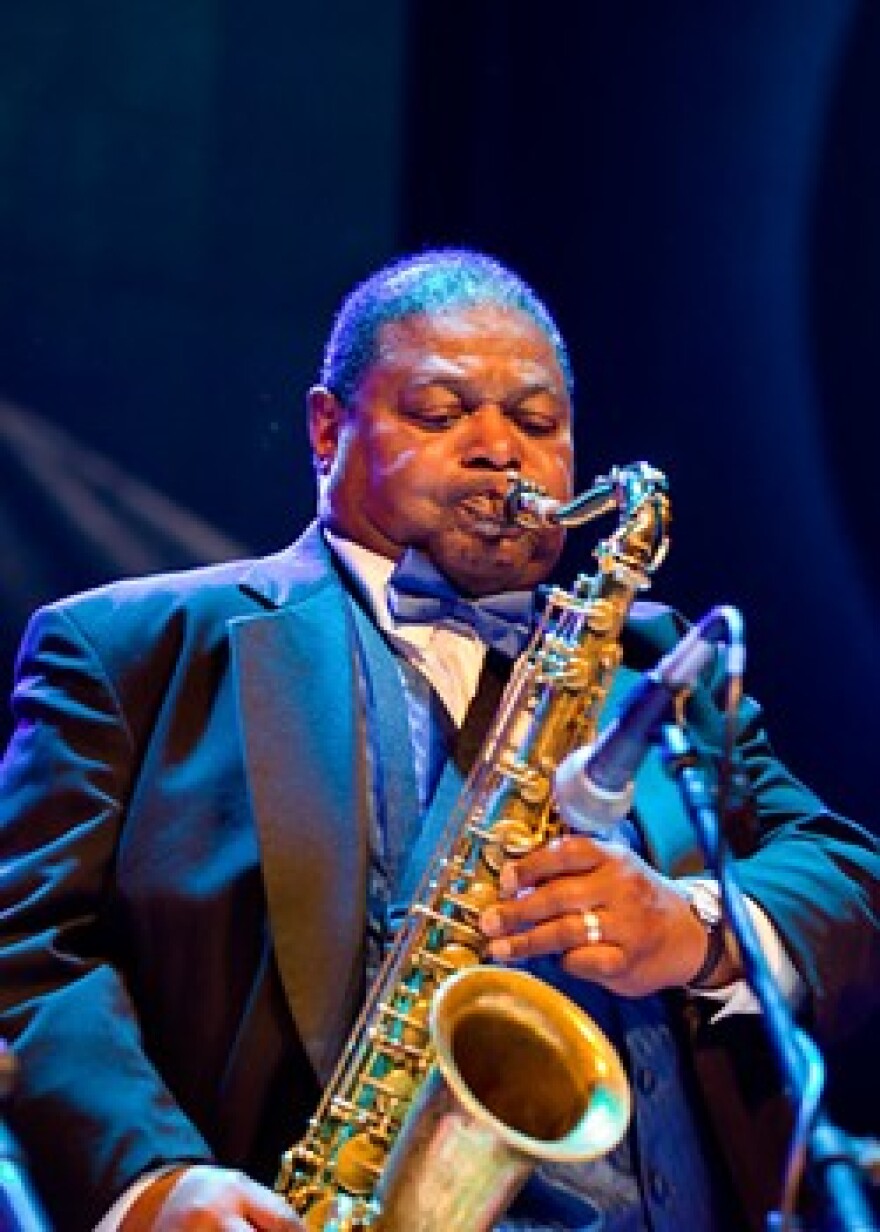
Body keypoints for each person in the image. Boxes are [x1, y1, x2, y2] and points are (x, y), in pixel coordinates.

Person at [0, 248, 877, 1232]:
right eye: (439, 412)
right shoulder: (131, 648)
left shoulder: (660, 664)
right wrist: (153, 1178)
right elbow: (24, 949)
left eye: (536, 424)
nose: (499, 450)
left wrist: (693, 926)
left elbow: (851, 879)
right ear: (326, 429)